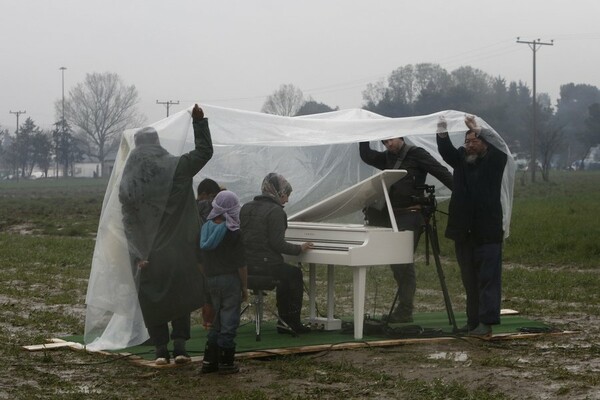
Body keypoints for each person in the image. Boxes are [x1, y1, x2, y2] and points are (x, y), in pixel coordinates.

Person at [119, 104, 213, 365]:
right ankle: (181, 346)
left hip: (147, 251)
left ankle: (160, 349)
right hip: (179, 249)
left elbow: (128, 218)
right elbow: (204, 152)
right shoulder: (177, 166)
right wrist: (199, 122)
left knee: (153, 298)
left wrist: (138, 252)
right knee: (178, 295)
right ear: (158, 143)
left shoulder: (131, 177)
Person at [359, 136, 453, 323]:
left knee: (402, 261)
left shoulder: (416, 154)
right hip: (391, 215)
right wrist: (364, 135)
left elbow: (441, 172)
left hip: (411, 214)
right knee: (396, 262)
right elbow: (367, 156)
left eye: (391, 140)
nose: (389, 145)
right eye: (385, 142)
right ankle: (403, 309)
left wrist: (462, 193)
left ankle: (405, 310)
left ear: (400, 137)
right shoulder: (387, 157)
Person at [436, 115, 508, 338]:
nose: (470, 144)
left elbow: (501, 148)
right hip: (463, 233)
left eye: (474, 139)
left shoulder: (494, 161)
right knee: (470, 280)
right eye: (467, 141)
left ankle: (486, 324)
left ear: (484, 143)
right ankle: (472, 322)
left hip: (488, 233)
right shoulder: (461, 160)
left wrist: (479, 128)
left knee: (487, 280)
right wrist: (441, 131)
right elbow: (446, 152)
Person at [239, 173, 313, 334]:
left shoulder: (246, 207)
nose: (286, 200)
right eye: (286, 195)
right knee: (293, 274)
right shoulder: (276, 211)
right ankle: (290, 322)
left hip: (245, 266)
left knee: (286, 273)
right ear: (278, 192)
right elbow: (277, 244)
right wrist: (299, 248)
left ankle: (284, 321)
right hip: (266, 266)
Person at [199, 190, 247, 374]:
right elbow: (241, 264)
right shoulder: (233, 231)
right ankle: (226, 363)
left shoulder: (205, 229)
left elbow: (200, 260)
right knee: (229, 320)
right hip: (230, 280)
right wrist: (244, 286)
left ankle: (209, 362)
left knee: (216, 320)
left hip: (211, 279)